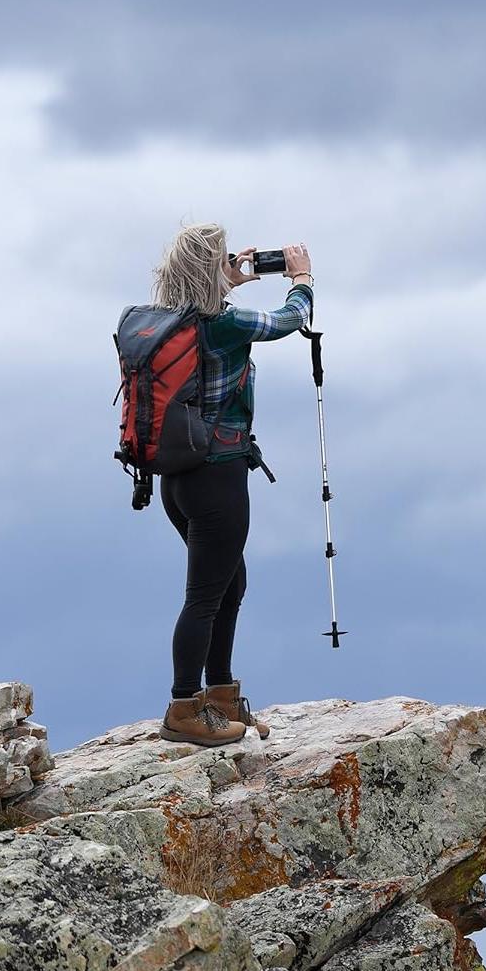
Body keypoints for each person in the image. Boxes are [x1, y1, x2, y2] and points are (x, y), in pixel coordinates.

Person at [148, 222, 314, 747]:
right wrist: (302, 278)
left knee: (229, 585)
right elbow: (290, 320)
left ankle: (219, 695)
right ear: (208, 269)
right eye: (222, 259)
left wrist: (227, 284)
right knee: (204, 596)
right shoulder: (225, 324)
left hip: (177, 481)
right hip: (217, 477)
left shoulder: (170, 324)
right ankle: (183, 707)